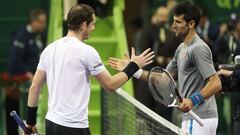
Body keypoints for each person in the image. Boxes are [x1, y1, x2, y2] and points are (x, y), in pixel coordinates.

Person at [25, 4, 154, 135]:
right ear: (84, 25)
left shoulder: (49, 49)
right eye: (92, 24)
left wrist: (30, 123)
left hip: (52, 124)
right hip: (74, 128)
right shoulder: (87, 52)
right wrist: (133, 66)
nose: (94, 28)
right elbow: (110, 85)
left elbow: (35, 87)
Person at [108, 1, 222, 135]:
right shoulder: (181, 48)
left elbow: (215, 83)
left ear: (191, 24)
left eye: (178, 22)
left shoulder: (198, 48)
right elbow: (163, 79)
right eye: (173, 21)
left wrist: (192, 100)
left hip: (199, 118)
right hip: (194, 118)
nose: (173, 26)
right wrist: (133, 69)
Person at [7, 9, 47, 135]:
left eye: (44, 22)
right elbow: (15, 61)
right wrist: (28, 75)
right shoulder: (21, 36)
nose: (43, 25)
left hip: (35, 83)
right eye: (40, 22)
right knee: (22, 117)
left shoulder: (40, 36)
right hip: (21, 86)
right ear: (32, 21)